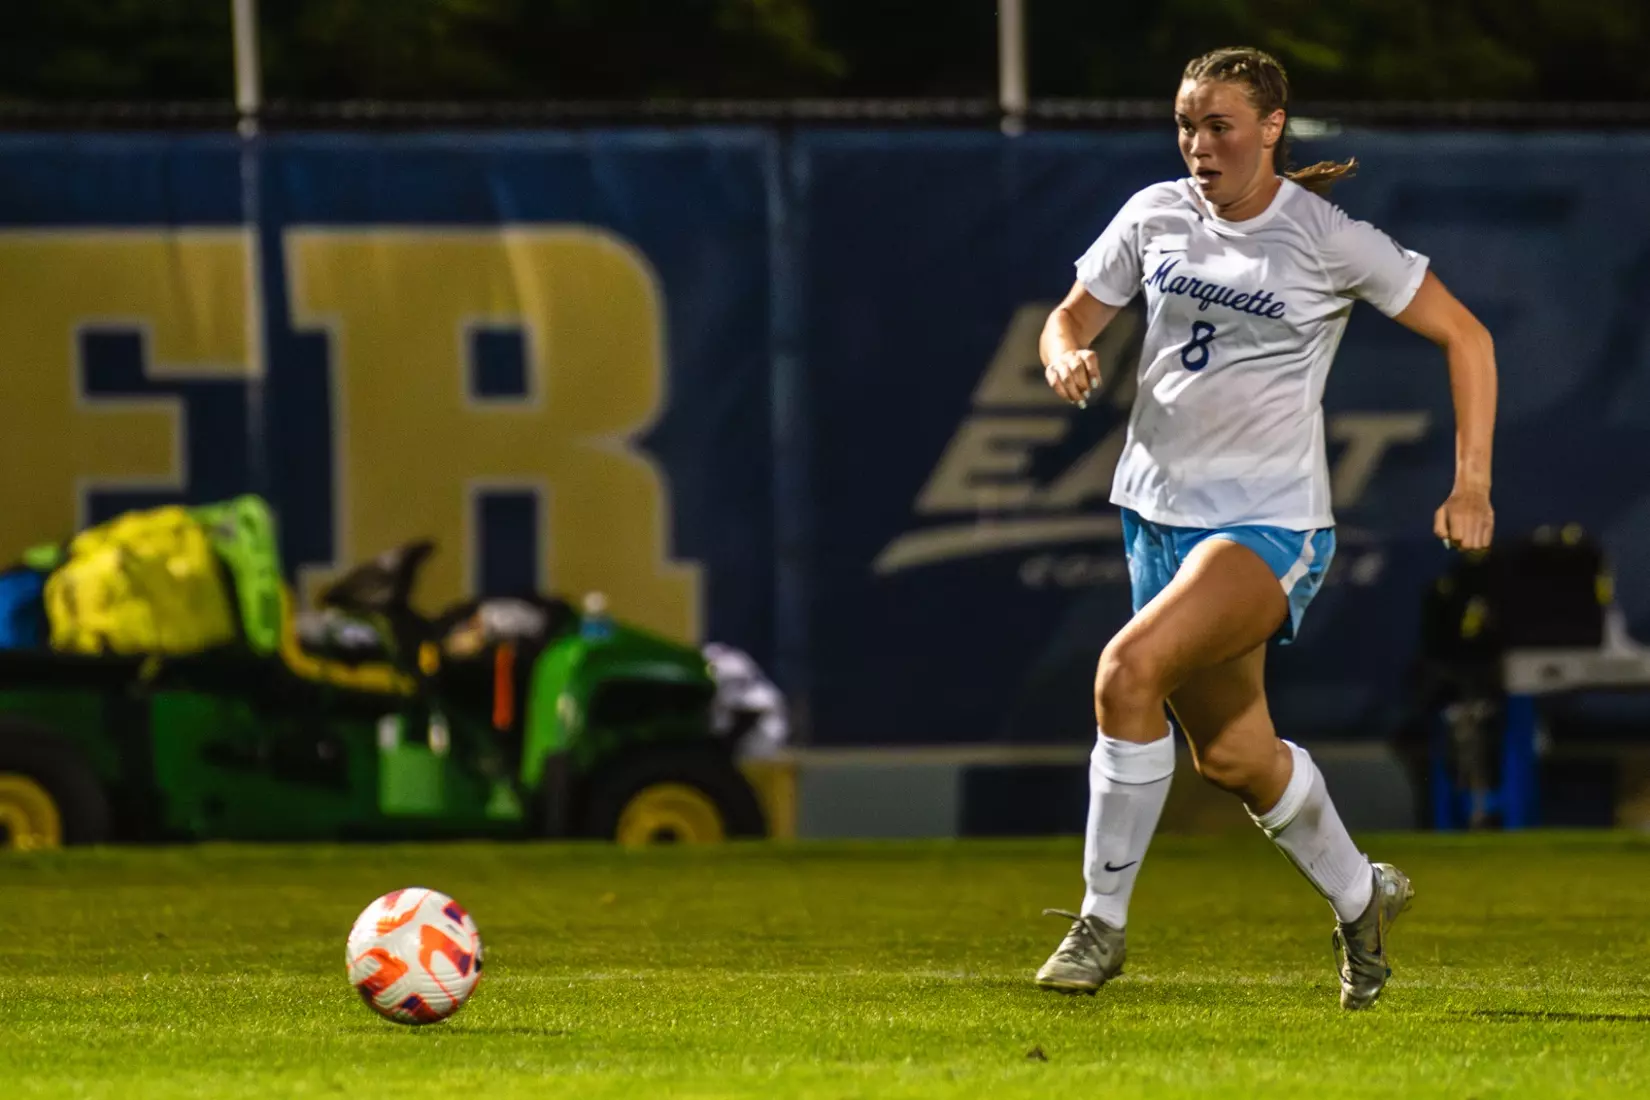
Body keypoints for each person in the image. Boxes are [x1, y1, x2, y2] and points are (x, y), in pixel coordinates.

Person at [1033, 46, 1497, 1010]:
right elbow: (1067, 318)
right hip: (1155, 512)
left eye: (1220, 126)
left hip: (1268, 524)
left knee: (1126, 673)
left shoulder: (1325, 236)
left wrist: (1472, 484)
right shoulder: (1154, 212)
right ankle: (1363, 895)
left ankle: (1099, 926)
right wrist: (1065, 351)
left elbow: (1469, 336)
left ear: (1273, 127)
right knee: (1237, 758)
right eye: (1186, 126)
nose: (1199, 146)